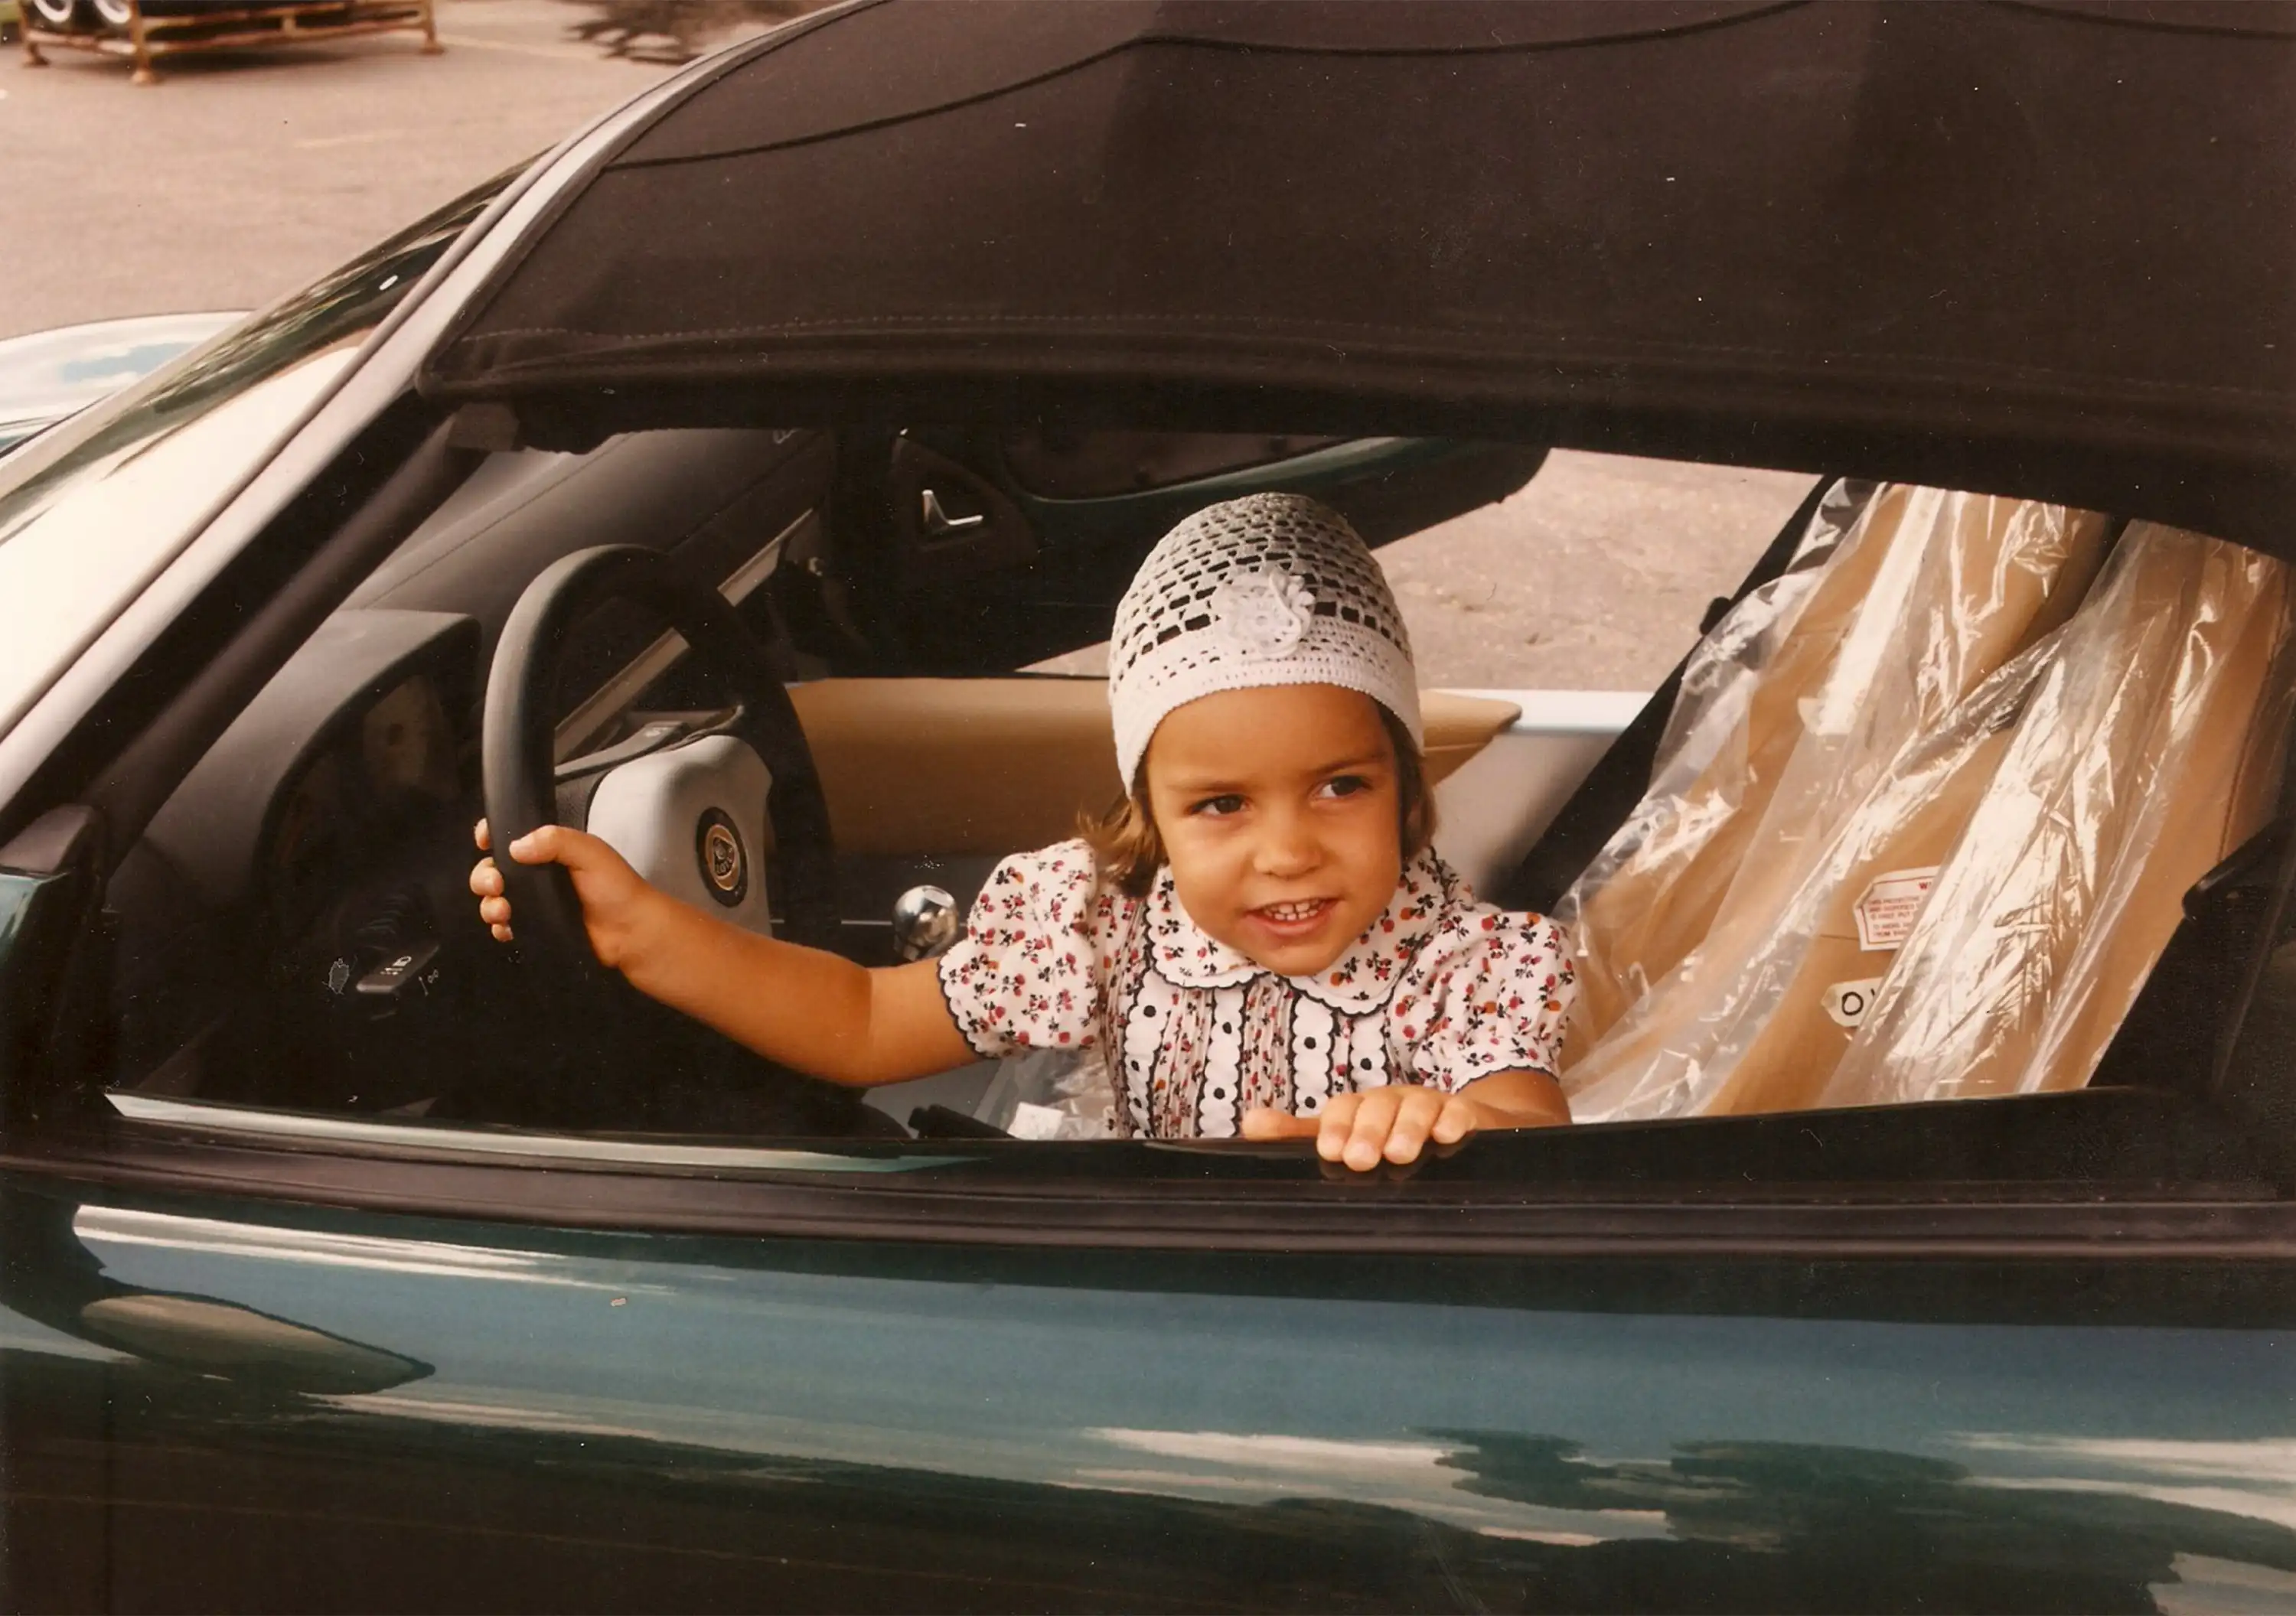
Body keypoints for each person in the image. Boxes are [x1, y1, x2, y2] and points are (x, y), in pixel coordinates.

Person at [471, 494, 1577, 1167]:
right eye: (1222, 805)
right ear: (1150, 812)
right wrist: (646, 933)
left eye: (1340, 787)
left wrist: (1442, 1125)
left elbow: (1528, 1118)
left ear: (1405, 785)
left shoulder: (1467, 963)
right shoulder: (1100, 924)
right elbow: (861, 1019)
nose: (1287, 850)